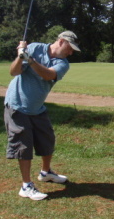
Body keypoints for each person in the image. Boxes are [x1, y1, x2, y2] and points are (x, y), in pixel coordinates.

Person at [4, 31, 80, 201]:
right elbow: (14, 72)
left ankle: (45, 173)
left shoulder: (63, 64)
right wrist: (20, 56)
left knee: (47, 140)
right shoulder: (34, 48)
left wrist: (29, 59)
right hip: (17, 104)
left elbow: (47, 75)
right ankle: (26, 186)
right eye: (70, 48)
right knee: (23, 146)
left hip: (37, 108)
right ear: (61, 42)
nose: (71, 52)